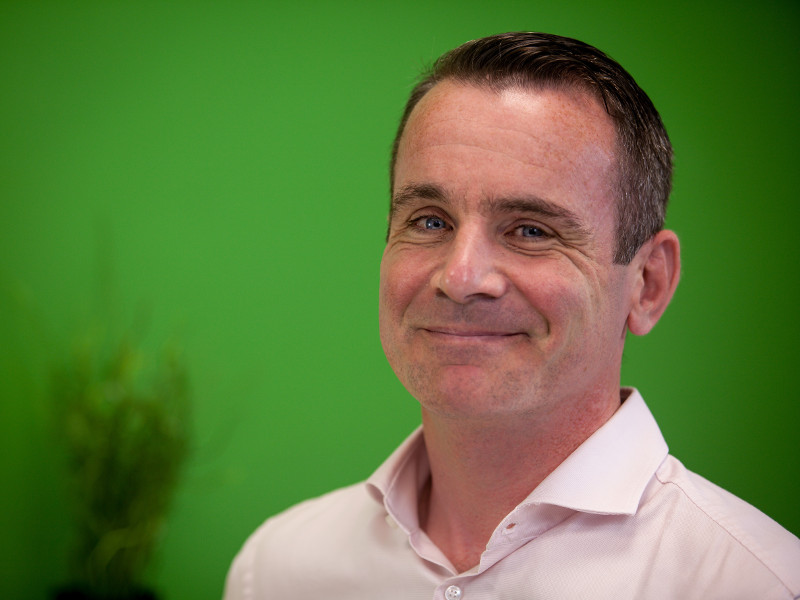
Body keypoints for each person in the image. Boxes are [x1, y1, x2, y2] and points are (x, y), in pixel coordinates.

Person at [224, 32, 800, 599]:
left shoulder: (755, 583)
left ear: (647, 285)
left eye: (531, 230)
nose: (460, 278)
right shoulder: (277, 571)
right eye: (430, 221)